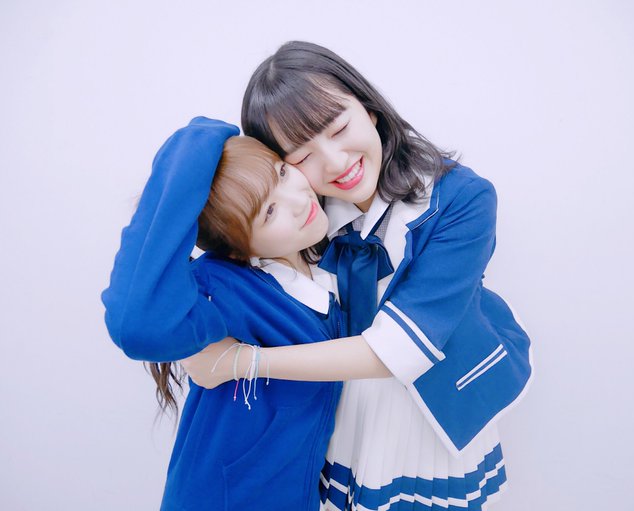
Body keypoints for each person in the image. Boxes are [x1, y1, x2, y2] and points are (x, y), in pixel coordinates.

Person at [184, 42, 534, 511]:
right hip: (342, 418)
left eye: (339, 128)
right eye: (300, 156)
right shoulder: (301, 212)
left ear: (369, 108)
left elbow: (400, 348)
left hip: (431, 418)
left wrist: (241, 363)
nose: (334, 162)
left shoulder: (462, 199)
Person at [101, 117, 347, 511]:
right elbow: (136, 325)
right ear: (235, 249)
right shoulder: (225, 286)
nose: (300, 200)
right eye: (269, 212)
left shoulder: (331, 264)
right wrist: (200, 138)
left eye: (283, 173)